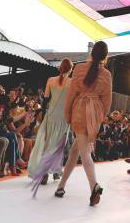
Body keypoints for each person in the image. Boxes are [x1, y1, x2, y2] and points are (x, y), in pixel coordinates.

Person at [56, 41, 111, 206]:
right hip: (95, 113)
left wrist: (68, 115)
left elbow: (71, 95)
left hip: (80, 110)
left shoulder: (79, 69)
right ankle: (61, 186)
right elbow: (107, 101)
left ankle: (94, 185)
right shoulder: (107, 74)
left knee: (84, 151)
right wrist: (100, 117)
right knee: (76, 150)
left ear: (92, 53)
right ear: (105, 56)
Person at [28, 58, 73, 194]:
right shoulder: (72, 82)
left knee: (47, 144)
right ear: (71, 69)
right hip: (64, 117)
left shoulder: (50, 80)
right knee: (58, 145)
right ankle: (55, 172)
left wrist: (42, 117)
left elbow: (46, 99)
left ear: (60, 68)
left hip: (50, 115)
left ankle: (46, 173)